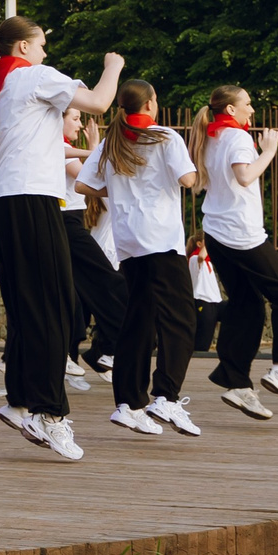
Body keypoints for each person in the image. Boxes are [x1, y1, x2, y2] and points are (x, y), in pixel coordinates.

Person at [0, 18, 123, 462]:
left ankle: (19, 402)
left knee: (28, 304)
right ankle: (49, 413)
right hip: (32, 199)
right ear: (26, 46)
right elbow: (100, 102)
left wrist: (16, 148)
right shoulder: (35, 76)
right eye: (43, 45)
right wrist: (114, 64)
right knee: (52, 305)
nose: (47, 52)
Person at [76, 81, 201, 437]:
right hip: (161, 238)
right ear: (149, 104)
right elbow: (188, 180)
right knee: (180, 320)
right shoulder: (165, 137)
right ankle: (167, 396)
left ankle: (129, 404)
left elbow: (83, 186)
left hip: (129, 242)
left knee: (139, 321)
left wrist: (116, 190)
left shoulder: (110, 140)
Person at [192, 86, 278, 418]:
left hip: (216, 233)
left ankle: (237, 383)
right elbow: (244, 176)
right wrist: (270, 151)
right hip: (241, 234)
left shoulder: (210, 138)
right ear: (230, 110)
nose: (253, 110)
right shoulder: (238, 138)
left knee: (248, 306)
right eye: (248, 104)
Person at [60, 108, 126, 388]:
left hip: (71, 221)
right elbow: (88, 178)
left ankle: (87, 354)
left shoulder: (65, 148)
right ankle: (94, 351)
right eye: (74, 118)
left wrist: (92, 147)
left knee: (76, 299)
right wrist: (97, 148)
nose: (79, 123)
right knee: (102, 287)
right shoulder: (59, 147)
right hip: (65, 222)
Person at [188, 236, 224, 352]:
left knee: (239, 314)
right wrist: (210, 241)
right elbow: (201, 257)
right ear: (199, 244)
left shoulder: (209, 262)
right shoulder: (194, 259)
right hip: (203, 302)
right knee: (202, 344)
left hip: (216, 302)